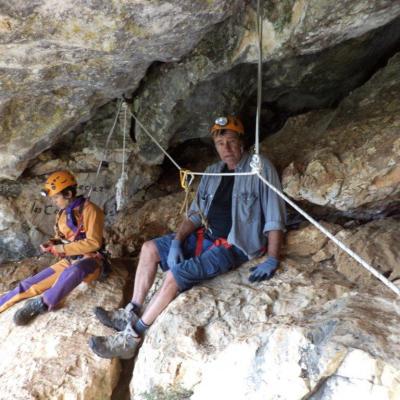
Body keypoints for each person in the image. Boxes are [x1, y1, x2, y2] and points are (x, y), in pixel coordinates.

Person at [89, 115, 286, 359]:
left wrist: (273, 257)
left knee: (174, 276)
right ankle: (131, 310)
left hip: (233, 246)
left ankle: (131, 338)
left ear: (242, 142)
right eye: (220, 144)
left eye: (232, 142)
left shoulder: (259, 168)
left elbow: (275, 215)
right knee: (149, 248)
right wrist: (177, 241)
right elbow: (195, 214)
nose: (227, 149)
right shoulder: (214, 172)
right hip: (206, 235)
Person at [0, 170, 105, 325]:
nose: (54, 201)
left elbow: (94, 243)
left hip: (91, 261)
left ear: (68, 194)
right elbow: (60, 238)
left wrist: (62, 250)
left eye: (56, 197)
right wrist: (53, 243)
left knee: (75, 271)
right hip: (69, 260)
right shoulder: (62, 214)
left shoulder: (91, 210)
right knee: (29, 284)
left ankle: (43, 303)